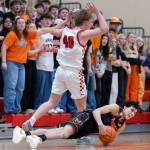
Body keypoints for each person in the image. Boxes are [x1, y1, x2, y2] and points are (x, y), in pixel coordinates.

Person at [20, 1, 108, 130]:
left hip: (60, 71)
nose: (91, 24)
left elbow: (52, 30)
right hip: (74, 73)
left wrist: (66, 21)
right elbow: (105, 29)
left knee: (51, 102)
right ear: (85, 24)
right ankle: (80, 134)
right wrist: (97, 13)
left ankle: (30, 121)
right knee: (82, 107)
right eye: (90, 22)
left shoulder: (65, 30)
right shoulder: (82, 34)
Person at [12, 101, 139, 149]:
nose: (132, 114)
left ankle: (23, 133)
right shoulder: (115, 108)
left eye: (134, 114)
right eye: (132, 110)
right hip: (87, 118)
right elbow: (96, 111)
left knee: (60, 133)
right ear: (126, 107)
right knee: (64, 133)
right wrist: (101, 125)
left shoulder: (122, 125)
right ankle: (38, 139)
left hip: (88, 129)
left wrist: (106, 138)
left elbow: (108, 138)